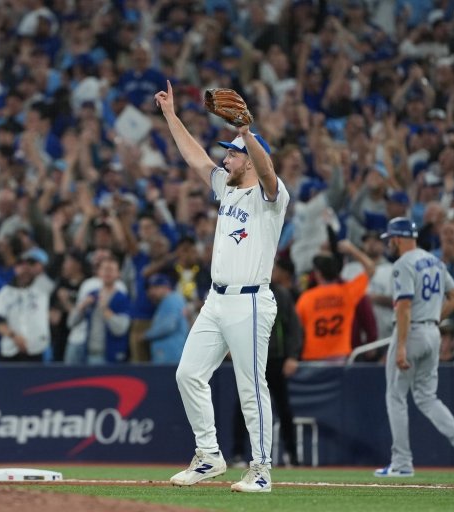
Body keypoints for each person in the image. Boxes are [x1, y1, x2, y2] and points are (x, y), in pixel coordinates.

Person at [155, 81, 290, 493]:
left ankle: (261, 469)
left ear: (248, 160)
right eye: (227, 152)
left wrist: (247, 134)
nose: (225, 158)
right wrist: (171, 116)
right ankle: (209, 455)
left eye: (232, 153)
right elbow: (195, 158)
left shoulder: (270, 197)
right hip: (216, 300)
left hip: (251, 301)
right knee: (188, 374)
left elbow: (268, 172)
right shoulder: (226, 190)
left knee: (251, 387)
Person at [375, 217, 454, 478]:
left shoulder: (403, 264)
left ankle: (401, 462)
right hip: (433, 332)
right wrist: (434, 317)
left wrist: (401, 346)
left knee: (396, 396)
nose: (390, 244)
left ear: (398, 238)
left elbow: (404, 307)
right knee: (426, 397)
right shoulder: (436, 261)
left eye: (391, 239)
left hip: (411, 332)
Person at [232, 263, 303, 468]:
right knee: (244, 406)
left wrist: (292, 356)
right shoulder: (244, 292)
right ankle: (238, 454)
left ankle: (291, 455)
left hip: (276, 360)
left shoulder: (280, 294)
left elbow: (294, 327)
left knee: (283, 408)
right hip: (251, 358)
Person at [296, 241, 375, 361]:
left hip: (313, 355)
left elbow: (297, 328)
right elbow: (371, 268)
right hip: (340, 356)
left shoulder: (306, 297)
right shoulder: (348, 292)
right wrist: (352, 249)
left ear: (318, 273)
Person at [143, 273, 189, 364]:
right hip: (171, 353)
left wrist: (147, 335)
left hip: (170, 354)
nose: (151, 292)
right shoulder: (168, 301)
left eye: (156, 287)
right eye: (150, 288)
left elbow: (169, 326)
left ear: (166, 287)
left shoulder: (171, 299)